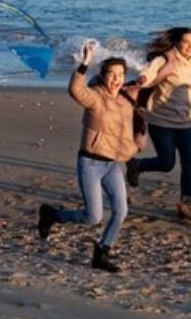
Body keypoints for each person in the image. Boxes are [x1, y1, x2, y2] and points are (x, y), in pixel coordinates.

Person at [37, 41, 145, 273]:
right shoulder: (95, 97)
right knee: (93, 217)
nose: (116, 79)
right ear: (103, 76)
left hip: (114, 165)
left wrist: (135, 150)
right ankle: (52, 215)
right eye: (112, 74)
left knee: (121, 211)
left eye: (121, 75)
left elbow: (138, 114)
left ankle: (102, 251)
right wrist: (84, 64)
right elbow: (75, 90)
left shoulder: (125, 100)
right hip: (91, 163)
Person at [126, 27, 191, 223]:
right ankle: (136, 165)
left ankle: (186, 204)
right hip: (161, 120)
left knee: (189, 164)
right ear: (176, 42)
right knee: (167, 164)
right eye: (186, 42)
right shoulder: (165, 60)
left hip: (187, 122)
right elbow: (151, 72)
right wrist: (143, 78)